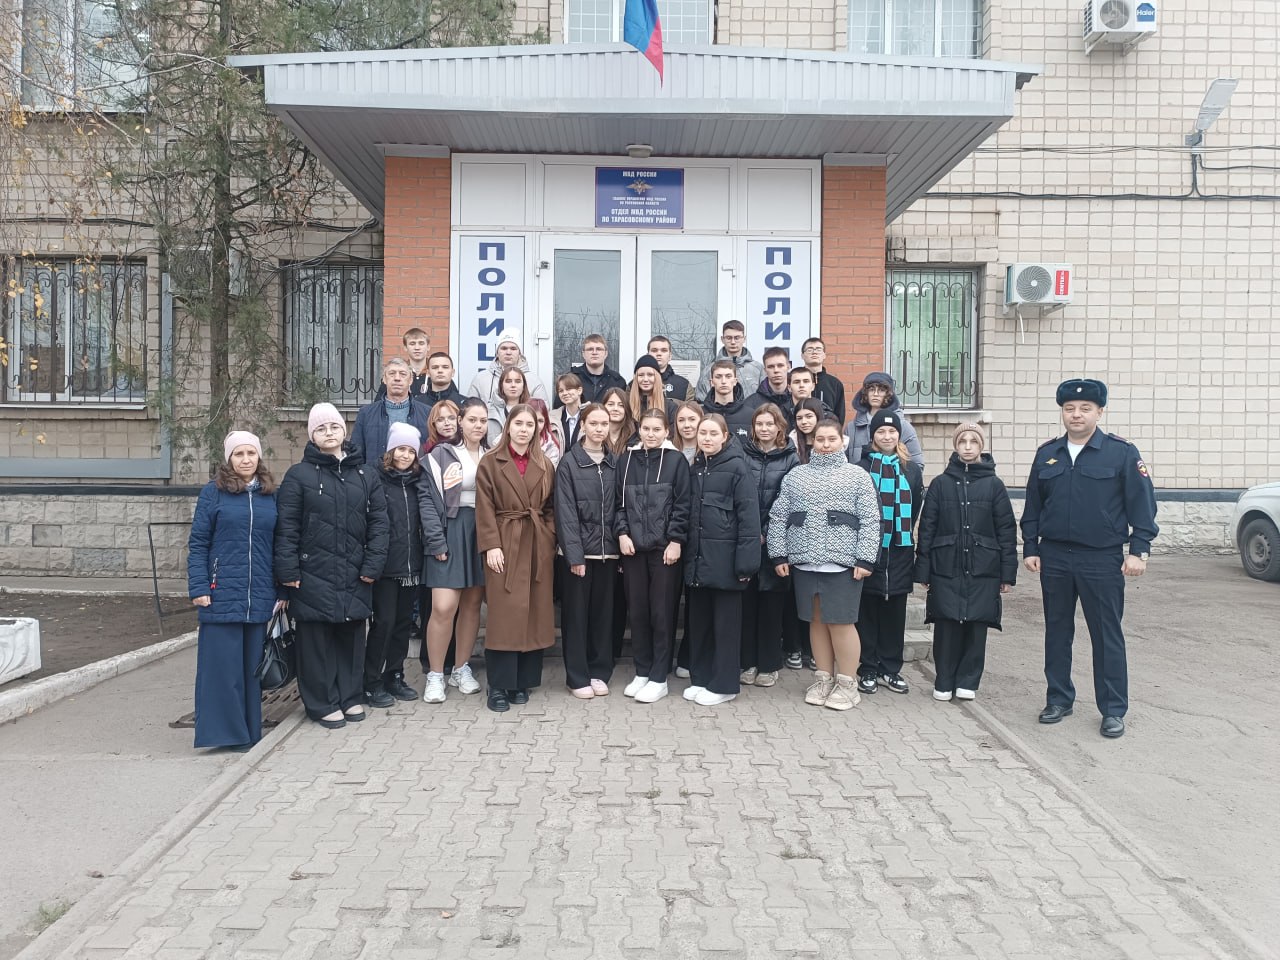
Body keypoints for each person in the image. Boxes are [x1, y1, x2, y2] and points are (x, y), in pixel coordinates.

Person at [1021, 378, 1158, 739]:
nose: (1076, 414)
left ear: (1100, 412)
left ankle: (1112, 709)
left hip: (1101, 558)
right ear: (1062, 412)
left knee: (1106, 634)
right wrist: (1031, 546)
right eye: (1069, 408)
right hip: (1055, 557)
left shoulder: (1121, 453)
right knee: (1057, 631)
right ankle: (1058, 699)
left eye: (1085, 408)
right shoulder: (1047, 453)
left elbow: (1143, 505)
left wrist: (1139, 550)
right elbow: (1034, 505)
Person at [275, 403, 389, 729]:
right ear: (312, 436)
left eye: (334, 427)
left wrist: (373, 564)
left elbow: (380, 524)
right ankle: (322, 703)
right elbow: (287, 528)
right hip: (313, 571)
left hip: (355, 570)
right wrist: (288, 571)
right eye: (321, 429)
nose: (329, 433)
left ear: (344, 430)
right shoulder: (299, 475)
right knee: (316, 641)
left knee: (351, 638)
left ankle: (350, 696)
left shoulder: (365, 474)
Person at [768, 418, 880, 710]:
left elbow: (871, 520)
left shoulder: (857, 476)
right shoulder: (796, 476)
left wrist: (865, 558)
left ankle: (848, 682)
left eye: (832, 439)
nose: (826, 445)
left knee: (841, 623)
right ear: (811, 441)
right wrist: (779, 554)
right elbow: (778, 517)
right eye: (820, 439)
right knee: (816, 622)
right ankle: (824, 678)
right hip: (805, 563)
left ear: (842, 441)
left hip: (843, 565)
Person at [187, 430, 280, 751]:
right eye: (239, 454)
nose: (245, 459)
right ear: (229, 459)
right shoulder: (213, 493)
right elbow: (198, 543)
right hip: (220, 593)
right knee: (223, 670)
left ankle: (249, 733)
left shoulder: (269, 494)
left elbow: (279, 545)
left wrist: (282, 591)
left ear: (259, 457)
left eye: (251, 453)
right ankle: (224, 734)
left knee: (251, 670)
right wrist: (199, 586)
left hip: (259, 595)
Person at [915, 423, 1018, 702]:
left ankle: (968, 681)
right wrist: (923, 569)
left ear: (981, 446)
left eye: (974, 441)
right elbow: (927, 528)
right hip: (945, 565)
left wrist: (1007, 574)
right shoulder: (940, 484)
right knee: (947, 624)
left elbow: (1006, 530)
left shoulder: (994, 485)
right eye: (963, 441)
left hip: (984, 567)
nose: (968, 446)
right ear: (956, 446)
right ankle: (944, 680)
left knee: (976, 625)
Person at [475, 403, 558, 712]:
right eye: (519, 423)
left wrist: (548, 538)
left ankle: (523, 681)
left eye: (530, 425)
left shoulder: (544, 463)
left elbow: (550, 508)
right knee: (504, 614)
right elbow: (484, 506)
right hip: (505, 541)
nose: (524, 430)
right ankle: (499, 685)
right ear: (508, 426)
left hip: (536, 543)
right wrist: (491, 545)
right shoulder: (490, 462)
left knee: (534, 612)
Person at [682, 414, 760, 706]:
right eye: (703, 433)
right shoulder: (696, 467)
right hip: (699, 562)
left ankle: (724, 685)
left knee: (725, 628)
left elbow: (749, 518)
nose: (707, 438)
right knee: (700, 624)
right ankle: (701, 678)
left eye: (713, 433)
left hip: (726, 564)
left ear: (725, 436)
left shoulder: (737, 467)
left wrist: (746, 564)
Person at [617, 408, 691, 704]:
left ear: (667, 431)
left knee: (661, 613)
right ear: (639, 429)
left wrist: (676, 540)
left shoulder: (676, 461)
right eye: (646, 429)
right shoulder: (626, 461)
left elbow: (682, 505)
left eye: (656, 429)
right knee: (638, 611)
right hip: (633, 549)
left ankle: (659, 677)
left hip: (664, 551)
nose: (650, 434)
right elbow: (618, 504)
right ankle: (642, 671)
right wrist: (622, 533)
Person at [419, 397, 489, 703]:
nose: (478, 425)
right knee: (444, 607)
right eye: (472, 419)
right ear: (460, 421)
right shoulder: (442, 455)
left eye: (483, 421)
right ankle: (435, 674)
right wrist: (436, 541)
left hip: (481, 532)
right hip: (450, 531)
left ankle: (461, 668)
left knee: (472, 606)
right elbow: (426, 501)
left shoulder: (490, 454)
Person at [854, 410, 926, 696]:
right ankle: (868, 668)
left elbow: (915, 507)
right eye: (881, 432)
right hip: (868, 549)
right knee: (867, 611)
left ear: (899, 434)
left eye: (892, 431)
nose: (887, 436)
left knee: (895, 613)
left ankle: (890, 669)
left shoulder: (911, 470)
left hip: (899, 549)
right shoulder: (860, 468)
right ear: (872, 435)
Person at [555, 403, 620, 699]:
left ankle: (599, 671)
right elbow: (565, 513)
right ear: (582, 425)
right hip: (579, 555)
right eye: (593, 423)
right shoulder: (569, 463)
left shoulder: (614, 462)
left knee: (603, 616)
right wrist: (574, 555)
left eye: (604, 424)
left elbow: (621, 506)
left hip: (609, 553)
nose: (599, 429)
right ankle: (577, 676)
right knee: (576, 617)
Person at [364, 422, 426, 707]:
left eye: (411, 451)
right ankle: (371, 680)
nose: (405, 455)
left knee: (403, 624)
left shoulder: (417, 481)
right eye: (400, 449)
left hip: (411, 566)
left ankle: (395, 675)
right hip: (386, 567)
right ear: (390, 451)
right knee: (384, 623)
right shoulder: (375, 480)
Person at [740, 403, 799, 689]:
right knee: (747, 605)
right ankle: (748, 662)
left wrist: (767, 532)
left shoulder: (791, 459)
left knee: (772, 608)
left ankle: (768, 664)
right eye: (759, 424)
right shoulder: (742, 454)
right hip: (747, 540)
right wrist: (752, 531)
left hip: (777, 543)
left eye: (769, 424)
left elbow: (790, 502)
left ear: (779, 427)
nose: (764, 429)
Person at [353, 358, 431, 463]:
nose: (397, 378)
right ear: (384, 379)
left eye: (403, 374)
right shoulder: (366, 413)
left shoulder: (427, 413)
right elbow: (356, 454)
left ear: (410, 380)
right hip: (374, 473)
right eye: (392, 373)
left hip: (415, 473)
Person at [845, 372, 924, 468]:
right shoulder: (852, 428)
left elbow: (917, 466)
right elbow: (844, 463)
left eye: (881, 390)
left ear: (889, 394)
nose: (875, 394)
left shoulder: (904, 426)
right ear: (865, 393)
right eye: (871, 389)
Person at [467, 328, 548, 405]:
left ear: (520, 353)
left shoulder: (534, 381)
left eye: (513, 348)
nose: (508, 352)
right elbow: (469, 409)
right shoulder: (480, 379)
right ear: (497, 353)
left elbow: (542, 410)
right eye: (504, 348)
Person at [696, 320, 765, 397]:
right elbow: (701, 399)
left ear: (744, 339)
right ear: (722, 339)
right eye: (729, 338)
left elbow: (765, 398)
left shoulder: (758, 369)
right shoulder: (709, 370)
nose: (733, 342)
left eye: (737, 338)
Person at [701, 359, 759, 443]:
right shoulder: (701, 413)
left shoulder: (750, 415)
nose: (723, 381)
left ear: (735, 381)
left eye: (728, 376)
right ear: (712, 382)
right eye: (718, 377)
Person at [568, 333, 627, 404]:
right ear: (583, 354)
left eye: (599, 349)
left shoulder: (617, 381)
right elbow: (560, 408)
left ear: (605, 353)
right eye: (590, 349)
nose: (594, 352)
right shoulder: (571, 379)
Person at [374, 327, 432, 398]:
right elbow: (379, 402)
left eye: (421, 343)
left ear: (428, 347)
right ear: (405, 347)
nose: (417, 348)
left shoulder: (435, 372)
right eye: (412, 344)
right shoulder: (395, 373)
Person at [800, 337, 846, 424]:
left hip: (827, 430)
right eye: (809, 350)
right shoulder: (795, 380)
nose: (814, 352)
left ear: (824, 355)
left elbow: (840, 415)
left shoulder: (834, 383)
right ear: (802, 355)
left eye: (818, 349)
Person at [486, 364, 531, 446]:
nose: (513, 385)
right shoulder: (488, 410)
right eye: (508, 381)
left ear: (523, 386)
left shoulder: (532, 409)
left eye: (518, 381)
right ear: (501, 385)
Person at [628, 355, 678, 425]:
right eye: (641, 375)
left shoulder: (670, 408)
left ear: (657, 377)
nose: (645, 379)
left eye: (650, 375)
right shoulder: (627, 406)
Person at [647, 335, 694, 401]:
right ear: (647, 355)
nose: (659, 354)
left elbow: (690, 407)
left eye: (664, 350)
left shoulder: (684, 385)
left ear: (670, 356)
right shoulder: (637, 384)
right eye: (654, 350)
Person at [753, 347, 793, 419]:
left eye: (780, 365)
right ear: (765, 370)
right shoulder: (752, 403)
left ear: (788, 366)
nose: (776, 370)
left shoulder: (798, 399)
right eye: (771, 367)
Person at [528, 397, 565, 467]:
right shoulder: (510, 440)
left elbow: (549, 472)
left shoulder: (551, 447)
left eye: (540, 421)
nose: (536, 425)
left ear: (545, 422)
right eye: (532, 420)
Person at [600, 386, 637, 456]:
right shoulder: (595, 433)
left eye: (621, 405)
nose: (615, 409)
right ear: (603, 407)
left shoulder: (636, 436)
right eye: (610, 404)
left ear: (626, 409)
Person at [791, 397, 825, 466]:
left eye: (809, 416)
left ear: (818, 416)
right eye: (799, 418)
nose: (803, 422)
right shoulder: (791, 443)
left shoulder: (831, 441)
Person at [556, 373, 586, 448]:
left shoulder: (590, 415)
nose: (565, 393)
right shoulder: (553, 418)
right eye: (561, 391)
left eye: (568, 389)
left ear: (579, 390)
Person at [673, 400, 703, 464]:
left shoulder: (708, 453)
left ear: (701, 420)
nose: (686, 425)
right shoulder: (668, 452)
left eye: (692, 419)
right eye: (681, 420)